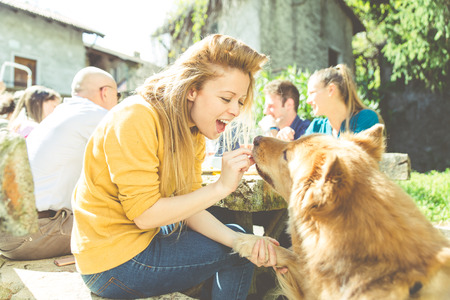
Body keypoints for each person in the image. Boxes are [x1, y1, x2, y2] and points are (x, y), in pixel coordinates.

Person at [71, 34, 282, 300]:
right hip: (112, 264)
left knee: (238, 239)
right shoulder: (136, 117)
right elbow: (146, 215)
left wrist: (242, 241)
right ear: (192, 89)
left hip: (139, 243)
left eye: (240, 101)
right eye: (226, 98)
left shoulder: (191, 132)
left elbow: (188, 209)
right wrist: (222, 188)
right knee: (236, 251)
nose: (236, 110)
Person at [0, 66, 119, 260]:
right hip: (31, 232)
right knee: (132, 226)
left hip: (11, 229)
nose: (118, 102)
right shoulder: (98, 116)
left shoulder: (58, 115)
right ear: (105, 92)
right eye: (118, 95)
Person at [305, 64, 382, 136]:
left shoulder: (365, 118)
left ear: (331, 90)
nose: (308, 101)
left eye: (312, 93)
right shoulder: (316, 127)